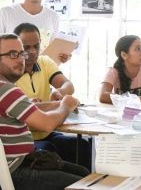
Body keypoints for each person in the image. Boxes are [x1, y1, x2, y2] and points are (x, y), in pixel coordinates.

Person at [0, 33, 89, 190]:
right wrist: (65, 106)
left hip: (19, 162)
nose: (21, 59)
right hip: (15, 170)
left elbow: (32, 108)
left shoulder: (5, 90)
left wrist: (59, 103)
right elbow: (47, 124)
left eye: (22, 54)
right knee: (85, 184)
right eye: (13, 55)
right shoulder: (6, 90)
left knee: (83, 172)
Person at [13, 23, 91, 171]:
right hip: (22, 137)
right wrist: (59, 105)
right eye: (26, 47)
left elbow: (68, 85)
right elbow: (24, 108)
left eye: (36, 46)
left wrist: (61, 92)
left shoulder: (44, 62)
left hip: (46, 132)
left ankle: (81, 184)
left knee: (81, 145)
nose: (32, 51)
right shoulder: (10, 70)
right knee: (47, 150)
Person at [0, 0, 70, 63]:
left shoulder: (53, 17)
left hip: (41, 72)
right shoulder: (5, 13)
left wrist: (62, 56)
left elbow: (53, 51)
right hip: (11, 72)